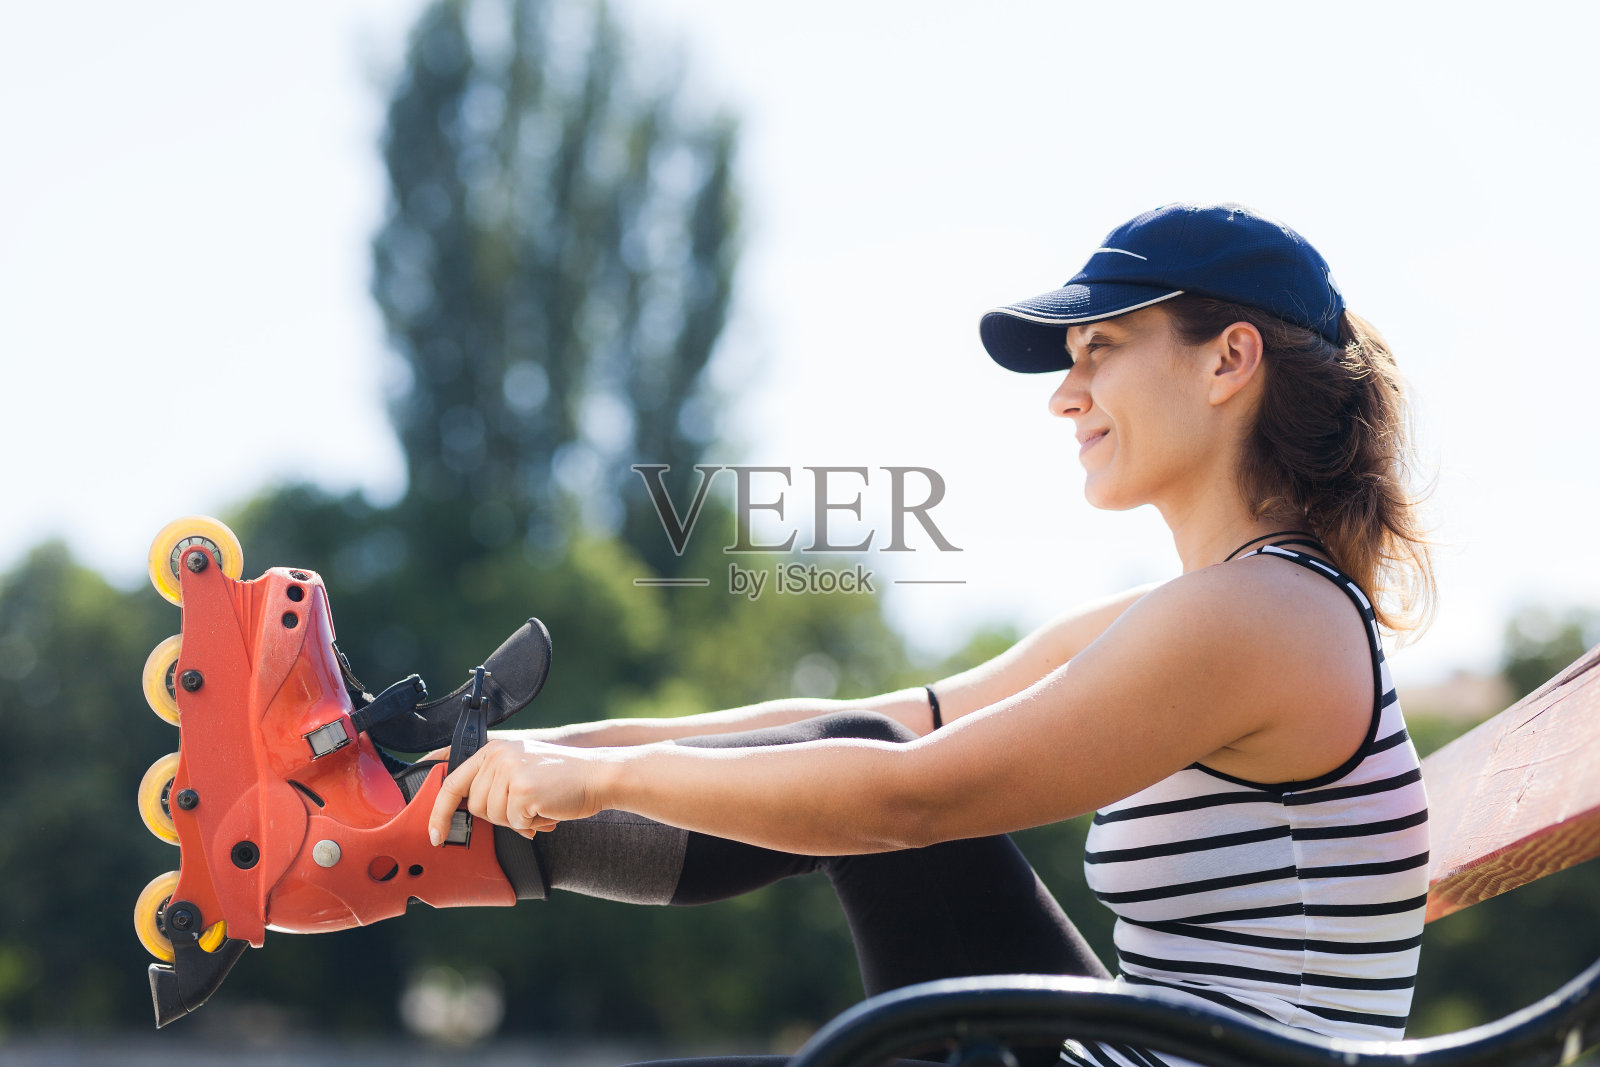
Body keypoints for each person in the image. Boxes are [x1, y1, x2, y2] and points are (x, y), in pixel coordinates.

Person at [425, 202, 1436, 1067]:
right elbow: (852, 720)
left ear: (1228, 360)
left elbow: (914, 793)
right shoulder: (1206, 610)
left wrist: (594, 782)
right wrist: (522, 761)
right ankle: (428, 844)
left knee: (880, 793)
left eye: (1102, 350)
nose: (1063, 396)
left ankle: (440, 857)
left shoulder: (1258, 616)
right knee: (861, 752)